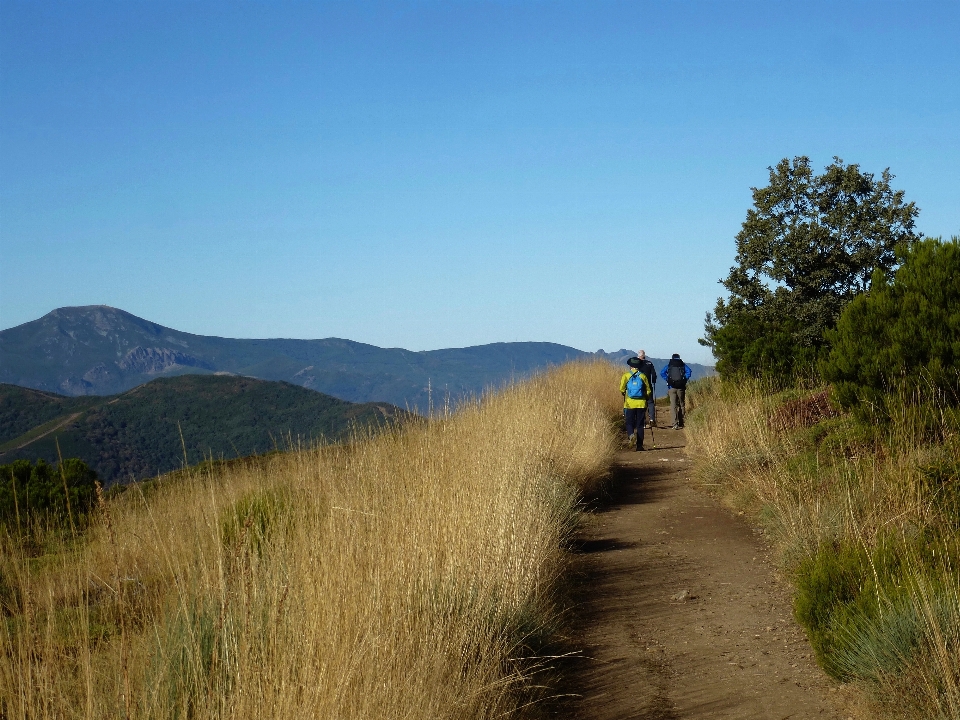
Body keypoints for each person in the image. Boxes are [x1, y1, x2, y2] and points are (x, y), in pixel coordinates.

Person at [620, 357, 653, 451]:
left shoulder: (626, 376)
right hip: (641, 404)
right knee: (640, 425)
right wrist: (646, 398)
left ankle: (631, 435)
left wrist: (624, 392)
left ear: (630, 366)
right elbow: (648, 390)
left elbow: (621, 389)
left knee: (629, 423)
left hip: (629, 404)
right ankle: (639, 446)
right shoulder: (643, 376)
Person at [660, 353, 692, 429]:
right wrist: (684, 379)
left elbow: (662, 372)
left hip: (672, 387)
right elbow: (689, 371)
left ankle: (675, 424)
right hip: (681, 387)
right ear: (679, 357)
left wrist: (668, 379)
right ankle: (681, 421)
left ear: (672, 358)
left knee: (673, 405)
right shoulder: (682, 364)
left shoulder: (669, 365)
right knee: (681, 404)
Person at [635, 350, 658, 428]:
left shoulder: (636, 364)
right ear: (644, 355)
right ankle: (652, 419)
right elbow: (654, 374)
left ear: (638, 356)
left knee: (642, 403)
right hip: (648, 386)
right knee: (650, 402)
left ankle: (643, 422)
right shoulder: (649, 363)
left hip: (638, 387)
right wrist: (653, 381)